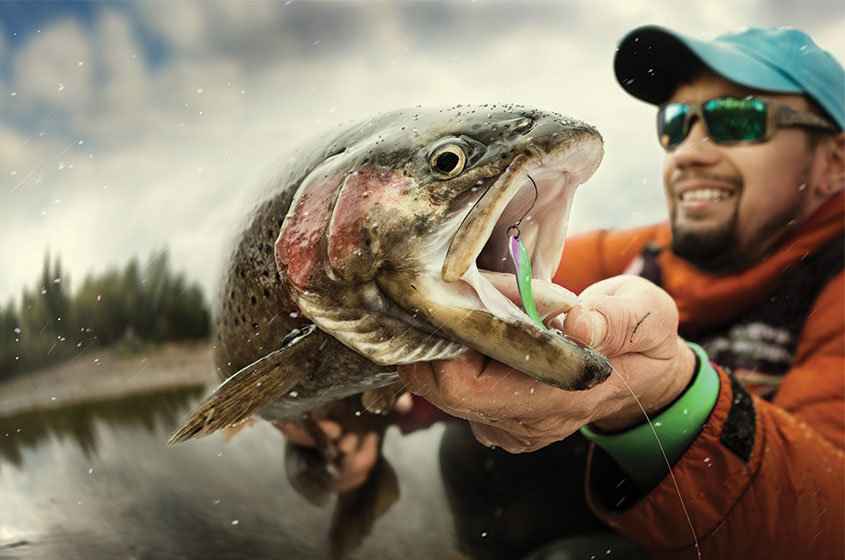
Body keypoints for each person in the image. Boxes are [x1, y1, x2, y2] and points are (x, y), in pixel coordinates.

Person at [281, 25, 844, 559]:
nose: (688, 150)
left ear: (834, 163)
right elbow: (445, 300)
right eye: (675, 122)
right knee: (475, 454)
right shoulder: (637, 253)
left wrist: (673, 393)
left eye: (736, 119)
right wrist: (356, 413)